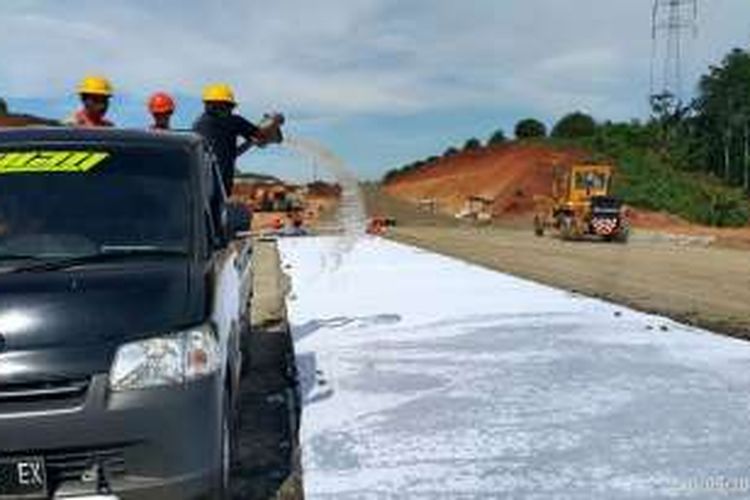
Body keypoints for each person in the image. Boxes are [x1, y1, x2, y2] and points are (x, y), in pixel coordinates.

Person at [192, 83, 283, 195]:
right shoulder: (234, 121)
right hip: (220, 183)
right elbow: (261, 135)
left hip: (198, 182)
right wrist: (275, 121)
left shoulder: (198, 124)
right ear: (227, 105)